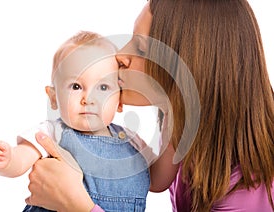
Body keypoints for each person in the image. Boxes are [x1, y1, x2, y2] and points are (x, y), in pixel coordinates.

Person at [25, 0, 274, 211]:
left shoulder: (250, 191)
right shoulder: (185, 137)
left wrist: (78, 204)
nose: (120, 55)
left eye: (140, 47)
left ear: (189, 67)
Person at [0, 31, 156, 212]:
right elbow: (21, 159)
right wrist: (7, 159)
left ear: (119, 101)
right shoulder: (52, 132)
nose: (89, 98)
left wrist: (172, 114)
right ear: (54, 97)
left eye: (103, 87)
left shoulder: (131, 139)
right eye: (76, 86)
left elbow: (159, 180)